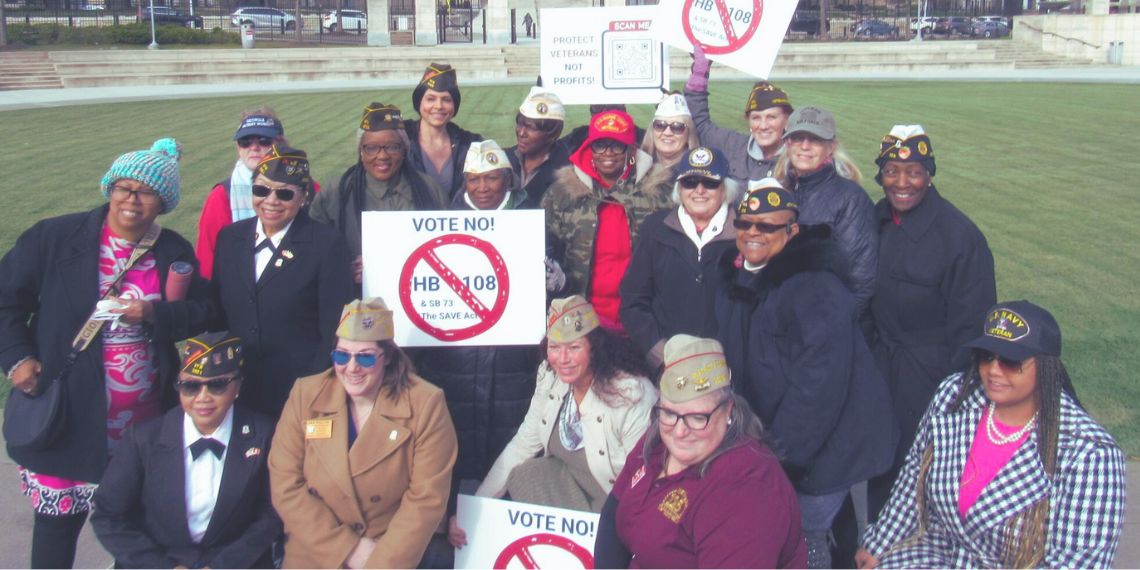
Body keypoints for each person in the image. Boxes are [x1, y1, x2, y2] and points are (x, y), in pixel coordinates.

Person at [0, 139, 213, 569]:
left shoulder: (171, 250)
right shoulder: (55, 237)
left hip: (142, 421)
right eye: (123, 187)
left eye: (145, 191)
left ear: (163, 203)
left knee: (133, 536)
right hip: (69, 411)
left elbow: (203, 312)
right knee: (57, 530)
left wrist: (153, 312)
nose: (132, 199)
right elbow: (6, 299)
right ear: (109, 189)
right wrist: (16, 357)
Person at [857, 301, 1126, 568]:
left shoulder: (1091, 454)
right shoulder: (954, 397)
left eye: (1011, 361)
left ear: (1046, 367)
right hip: (937, 557)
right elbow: (913, 479)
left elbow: (1076, 562)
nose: (994, 370)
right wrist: (881, 543)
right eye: (987, 356)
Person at [715, 181, 897, 568]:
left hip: (824, 448)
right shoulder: (738, 276)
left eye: (766, 226)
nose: (752, 233)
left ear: (792, 231)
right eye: (745, 223)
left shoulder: (818, 288)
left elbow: (819, 386)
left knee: (802, 535)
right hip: (775, 437)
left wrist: (782, 458)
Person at [414, 141, 542, 566]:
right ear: (464, 181)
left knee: (509, 460)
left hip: (511, 366)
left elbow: (555, 287)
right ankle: (450, 543)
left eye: (491, 178)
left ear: (507, 178)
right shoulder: (436, 224)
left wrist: (550, 272)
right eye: (474, 179)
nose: (483, 187)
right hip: (453, 365)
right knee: (449, 458)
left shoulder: (531, 220)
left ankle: (504, 547)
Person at [268, 298, 458, 569]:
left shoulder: (426, 403)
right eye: (341, 355)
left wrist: (379, 563)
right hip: (316, 550)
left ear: (388, 357)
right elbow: (285, 485)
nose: (352, 367)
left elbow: (426, 500)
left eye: (365, 357)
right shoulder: (305, 395)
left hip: (386, 552)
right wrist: (347, 549)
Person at [449, 296, 654, 545]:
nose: (563, 358)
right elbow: (523, 443)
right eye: (555, 347)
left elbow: (644, 477)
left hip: (616, 500)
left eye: (574, 347)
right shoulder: (549, 374)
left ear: (595, 347)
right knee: (526, 473)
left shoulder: (631, 392)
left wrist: (624, 542)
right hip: (573, 489)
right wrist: (476, 510)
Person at [867, 125, 996, 516]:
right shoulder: (876, 219)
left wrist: (953, 395)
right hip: (881, 368)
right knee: (881, 473)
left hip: (932, 378)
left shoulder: (959, 237)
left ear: (930, 174)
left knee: (926, 481)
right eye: (892, 171)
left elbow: (972, 328)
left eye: (914, 172)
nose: (902, 182)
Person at [594, 334, 807, 568]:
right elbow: (613, 515)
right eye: (669, 413)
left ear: (728, 410)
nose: (680, 431)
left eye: (697, 418)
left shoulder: (746, 487)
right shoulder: (657, 441)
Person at [91, 332, 280, 568]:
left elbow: (271, 514)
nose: (203, 397)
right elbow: (109, 516)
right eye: (190, 386)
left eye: (217, 385)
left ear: (238, 386)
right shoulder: (143, 439)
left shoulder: (264, 435)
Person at [211, 144, 355, 418]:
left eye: (285, 193)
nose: (271, 201)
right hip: (239, 383)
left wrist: (315, 385)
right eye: (262, 190)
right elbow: (219, 311)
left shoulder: (325, 243)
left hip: (299, 386)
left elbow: (334, 324)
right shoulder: (230, 238)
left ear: (303, 198)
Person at [542, 110, 674, 332]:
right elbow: (545, 247)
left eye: (616, 145)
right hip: (581, 320)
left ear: (631, 149)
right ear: (589, 148)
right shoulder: (562, 193)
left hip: (644, 320)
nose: (607, 152)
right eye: (600, 144)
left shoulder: (660, 192)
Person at [620, 146, 740, 369]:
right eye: (690, 182)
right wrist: (662, 355)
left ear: (724, 189)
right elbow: (633, 300)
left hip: (728, 366)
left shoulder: (745, 232)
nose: (699, 190)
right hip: (667, 366)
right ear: (679, 188)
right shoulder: (656, 228)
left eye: (710, 183)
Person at [310, 102, 448, 285]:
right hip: (355, 302)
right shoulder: (336, 194)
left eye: (392, 147)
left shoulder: (429, 190)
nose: (382, 156)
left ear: (404, 149)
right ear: (361, 151)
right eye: (371, 148)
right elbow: (312, 254)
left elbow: (448, 249)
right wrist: (344, 268)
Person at [772, 105, 877, 316]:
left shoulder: (850, 198)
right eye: (797, 138)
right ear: (787, 143)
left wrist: (830, 327)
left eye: (815, 139)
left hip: (826, 321)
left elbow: (861, 279)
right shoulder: (780, 190)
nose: (805, 146)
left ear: (831, 147)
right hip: (784, 317)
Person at [196, 109, 288, 280]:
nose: (254, 147)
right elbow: (207, 257)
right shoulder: (222, 195)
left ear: (280, 143)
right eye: (245, 141)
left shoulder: (307, 188)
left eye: (264, 140)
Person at [685, 45, 792, 181]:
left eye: (771, 117)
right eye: (756, 118)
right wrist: (699, 74)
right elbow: (699, 125)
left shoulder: (799, 160)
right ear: (748, 120)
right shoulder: (733, 145)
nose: (763, 125)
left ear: (787, 120)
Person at [403, 63, 483, 199]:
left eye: (446, 99)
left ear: (454, 106)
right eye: (430, 99)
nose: (439, 106)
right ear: (419, 102)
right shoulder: (401, 137)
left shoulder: (471, 144)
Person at [505, 86, 570, 207]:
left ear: (553, 133)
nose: (521, 132)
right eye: (520, 124)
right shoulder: (502, 159)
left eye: (531, 128)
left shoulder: (568, 172)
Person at [641, 93, 700, 171]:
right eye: (660, 125)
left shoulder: (695, 173)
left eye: (677, 127)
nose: (667, 133)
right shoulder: (637, 166)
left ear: (689, 134)